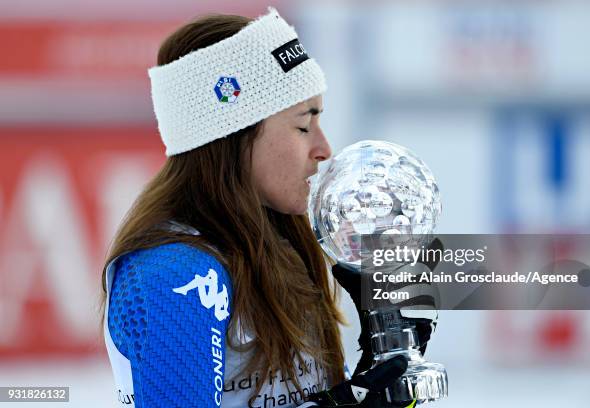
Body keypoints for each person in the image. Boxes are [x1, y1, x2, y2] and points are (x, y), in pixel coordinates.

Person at [101, 7, 427, 408]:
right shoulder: (175, 272)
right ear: (233, 138)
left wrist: (384, 371)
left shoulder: (283, 242)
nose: (324, 149)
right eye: (303, 126)